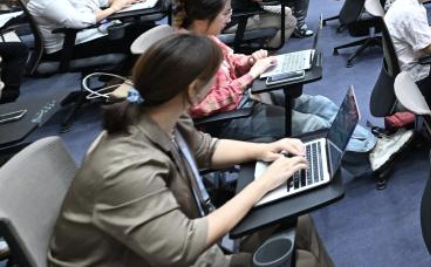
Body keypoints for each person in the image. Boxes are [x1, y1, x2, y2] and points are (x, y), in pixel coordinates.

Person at [46, 33, 334, 267]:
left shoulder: (162, 110)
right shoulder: (125, 166)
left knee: (298, 221)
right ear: (195, 88)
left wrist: (263, 150)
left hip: (172, 236)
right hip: (166, 252)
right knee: (302, 261)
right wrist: (263, 184)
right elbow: (181, 249)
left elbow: (204, 148)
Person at [174, 0, 400, 173]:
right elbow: (199, 107)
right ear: (203, 19)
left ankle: (373, 144)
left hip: (246, 99)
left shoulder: (208, 38)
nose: (229, 19)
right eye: (225, 14)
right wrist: (251, 76)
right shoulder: (185, 54)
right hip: (227, 119)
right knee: (313, 125)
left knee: (318, 103)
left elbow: (231, 59)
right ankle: (370, 160)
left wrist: (251, 60)